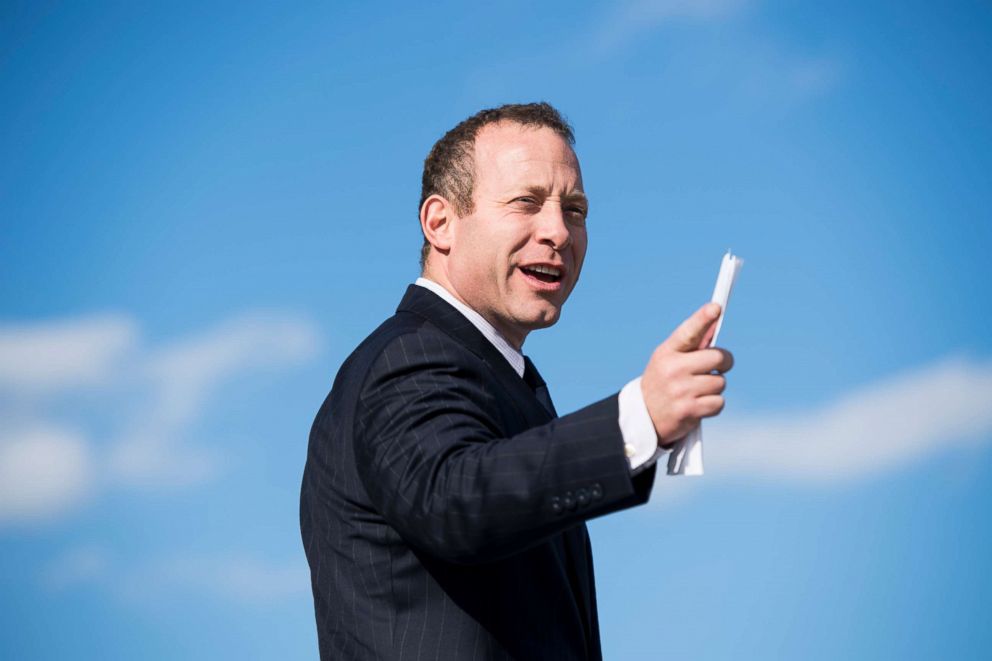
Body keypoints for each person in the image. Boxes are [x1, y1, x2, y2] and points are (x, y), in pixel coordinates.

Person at [300, 102, 733, 660]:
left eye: (575, 210)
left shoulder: (498, 375)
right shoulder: (409, 356)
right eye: (526, 202)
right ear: (440, 223)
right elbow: (453, 498)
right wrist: (638, 420)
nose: (558, 231)